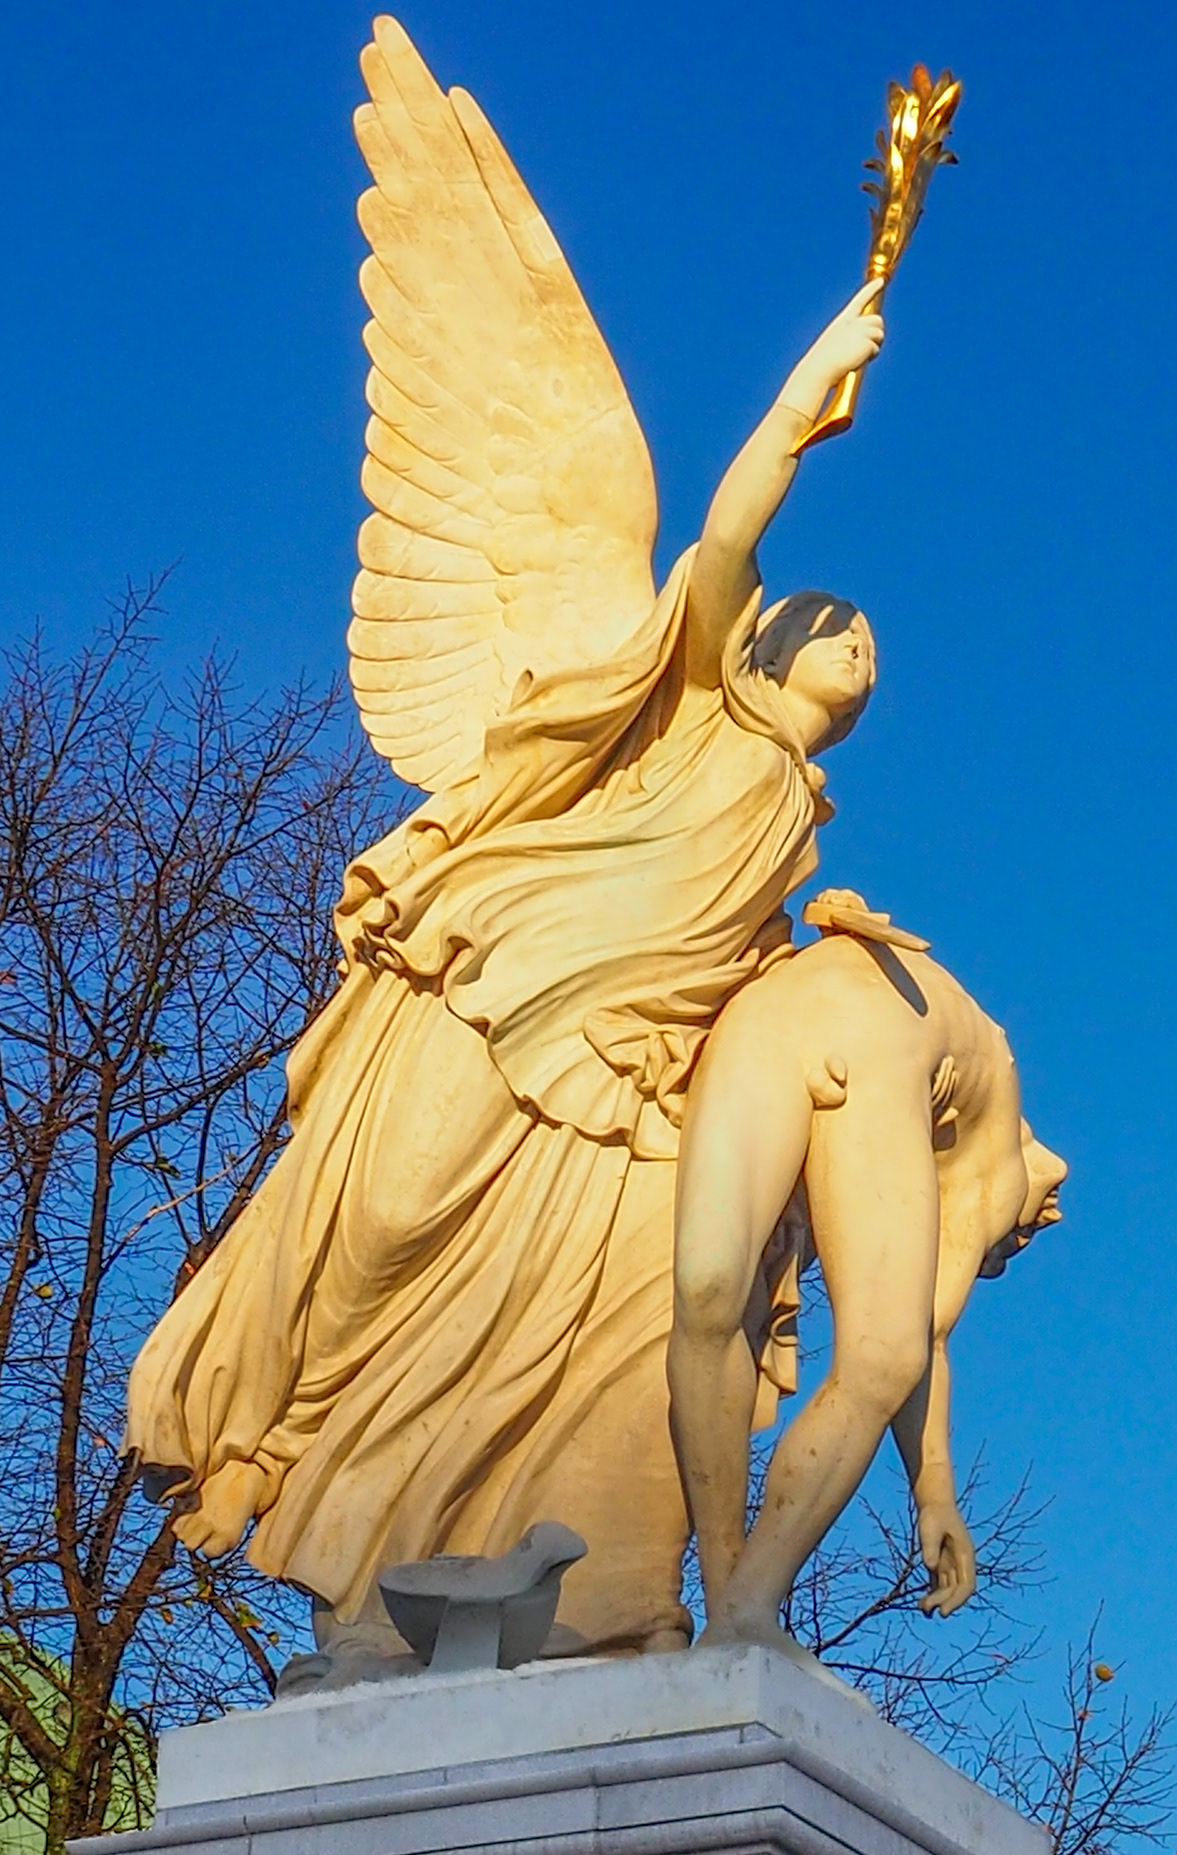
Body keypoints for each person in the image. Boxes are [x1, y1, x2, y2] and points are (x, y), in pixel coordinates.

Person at [129, 281, 889, 1668]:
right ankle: (292, 1447)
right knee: (385, 1236)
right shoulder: (695, 701)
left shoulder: (796, 817)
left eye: (873, 651)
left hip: (629, 1089)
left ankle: (567, 1610)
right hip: (500, 991)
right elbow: (731, 529)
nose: (863, 652)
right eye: (844, 630)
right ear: (770, 644)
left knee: (627, 1332)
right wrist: (810, 390)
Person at [668, 893, 1065, 1650]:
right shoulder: (1012, 1171)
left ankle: (728, 1603)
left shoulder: (972, 1064)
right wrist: (934, 1492)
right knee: (881, 1356)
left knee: (709, 1299)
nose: (991, 1259)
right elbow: (923, 1338)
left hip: (773, 1009)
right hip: (874, 1039)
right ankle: (744, 1613)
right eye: (1001, 1257)